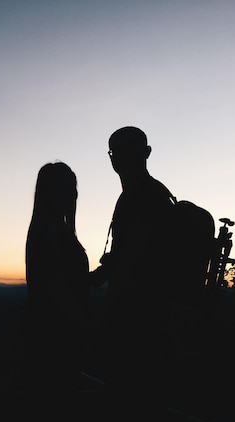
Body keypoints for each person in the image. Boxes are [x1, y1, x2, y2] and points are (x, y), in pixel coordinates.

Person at [90, 126, 175, 407]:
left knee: (130, 394)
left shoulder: (144, 196)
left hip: (139, 315)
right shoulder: (148, 194)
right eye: (115, 152)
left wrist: (103, 291)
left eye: (127, 151)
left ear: (146, 153)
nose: (119, 159)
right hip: (149, 311)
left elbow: (131, 257)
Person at [23, 162, 90, 397]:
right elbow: (57, 289)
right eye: (62, 188)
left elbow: (69, 282)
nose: (70, 194)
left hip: (54, 338)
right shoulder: (49, 231)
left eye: (71, 187)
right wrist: (88, 326)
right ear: (47, 193)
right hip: (56, 341)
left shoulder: (52, 230)